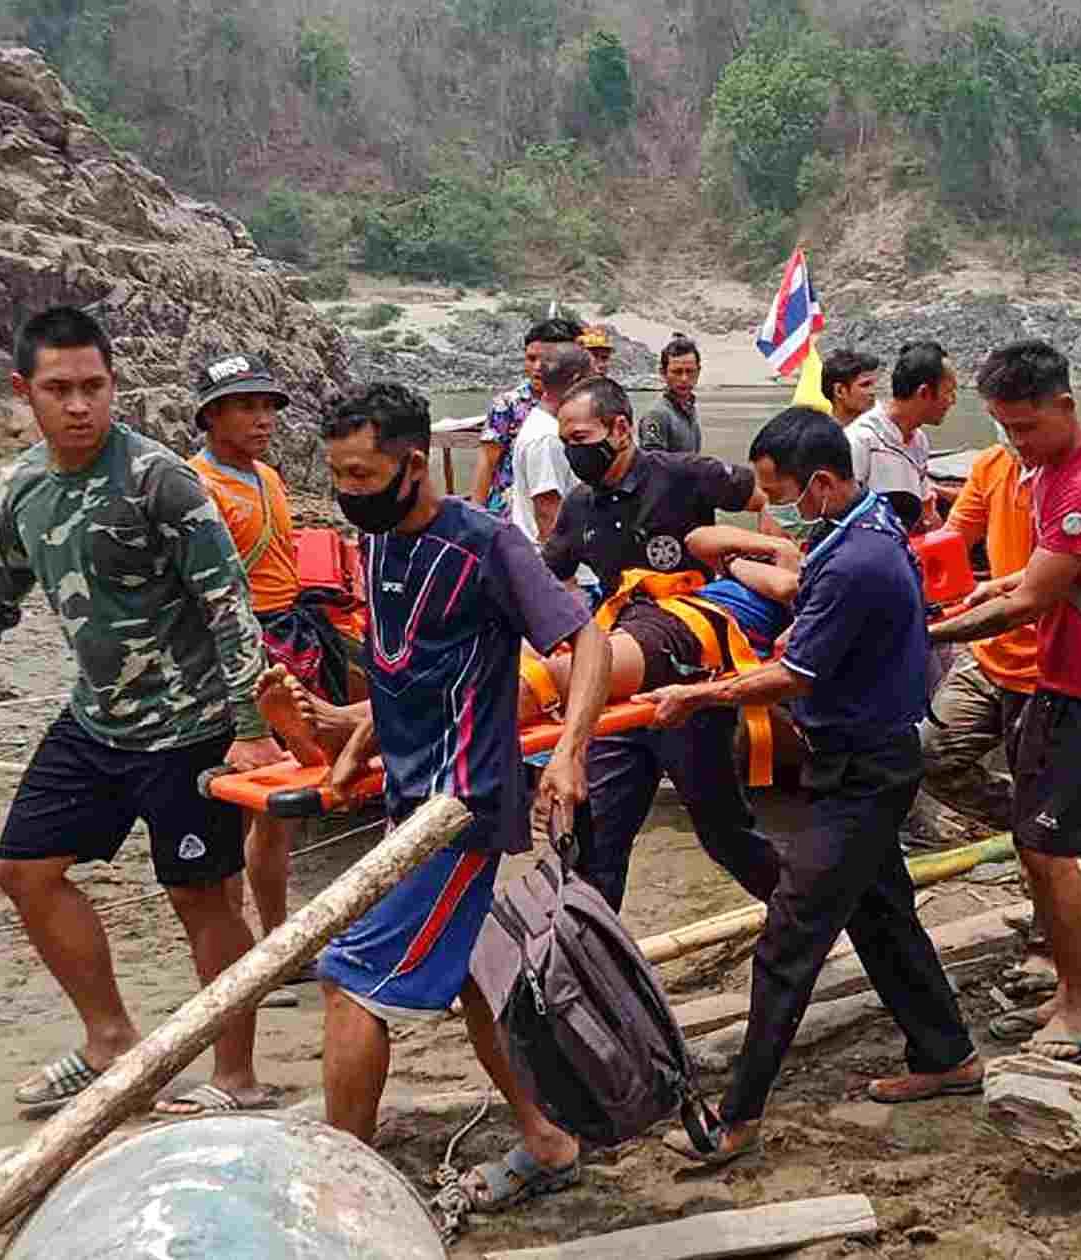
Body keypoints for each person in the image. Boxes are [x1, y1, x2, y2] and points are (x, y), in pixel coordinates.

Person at [0, 307, 287, 1117]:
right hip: (95, 720)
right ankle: (109, 1040)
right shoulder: (23, 488)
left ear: (114, 386)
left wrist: (251, 730)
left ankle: (237, 1079)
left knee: (204, 899)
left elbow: (228, 604)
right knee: (24, 872)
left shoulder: (159, 480)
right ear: (24, 391)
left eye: (94, 387)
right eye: (59, 389)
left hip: (191, 727)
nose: (79, 405)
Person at [643, 409, 982, 1167]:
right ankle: (947, 1053)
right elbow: (821, 627)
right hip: (856, 761)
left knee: (789, 939)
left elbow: (794, 675)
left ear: (823, 482)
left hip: (865, 773)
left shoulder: (858, 555)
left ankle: (737, 1117)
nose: (777, 507)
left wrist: (701, 696)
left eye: (781, 492)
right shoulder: (856, 534)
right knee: (883, 919)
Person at [307, 381, 610, 1212]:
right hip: (407, 809)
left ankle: (342, 1194)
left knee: (349, 979)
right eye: (338, 475)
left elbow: (587, 638)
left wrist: (569, 756)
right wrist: (344, 729)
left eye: (362, 475)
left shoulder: (486, 547)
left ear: (411, 466)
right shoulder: (374, 545)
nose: (348, 492)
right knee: (477, 982)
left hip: (460, 810)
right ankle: (548, 1139)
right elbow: (412, 678)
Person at [931, 340, 1081, 1065]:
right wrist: (989, 587)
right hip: (1056, 682)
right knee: (1035, 843)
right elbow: (1026, 575)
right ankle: (1066, 988)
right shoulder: (1045, 472)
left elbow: (1032, 599)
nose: (1015, 443)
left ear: (1066, 406)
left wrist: (930, 629)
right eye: (1004, 430)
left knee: (1052, 853)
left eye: (1026, 428)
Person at [540, 377, 779, 909]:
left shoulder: (682, 476)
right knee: (597, 841)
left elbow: (768, 498)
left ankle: (802, 916)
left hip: (688, 679)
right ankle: (589, 964)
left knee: (724, 835)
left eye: (581, 439)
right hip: (619, 682)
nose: (573, 453)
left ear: (620, 428)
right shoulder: (580, 506)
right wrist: (572, 622)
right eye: (565, 444)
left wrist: (764, 567)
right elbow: (548, 576)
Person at [186, 352, 353, 1002]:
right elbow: (206, 596)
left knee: (278, 810)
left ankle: (280, 940)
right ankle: (239, 952)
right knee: (233, 805)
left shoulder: (268, 479)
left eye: (267, 407)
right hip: (237, 652)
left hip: (288, 642)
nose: (262, 419)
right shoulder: (196, 487)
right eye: (246, 406)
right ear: (212, 414)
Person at [515, 524, 797, 723]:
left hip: (689, 635)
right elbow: (697, 540)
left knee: (541, 683)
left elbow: (786, 585)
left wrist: (733, 564)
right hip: (651, 611)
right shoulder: (770, 555)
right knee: (523, 652)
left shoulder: (819, 578)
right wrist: (774, 546)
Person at [920, 428, 1039, 830]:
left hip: (1057, 664)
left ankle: (1048, 836)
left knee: (1047, 778)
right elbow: (948, 545)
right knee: (931, 756)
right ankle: (1021, 823)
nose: (1013, 434)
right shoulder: (992, 465)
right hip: (991, 650)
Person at [464, 318, 582, 511]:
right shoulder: (507, 405)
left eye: (547, 359)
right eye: (531, 358)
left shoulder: (582, 404)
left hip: (567, 503)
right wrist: (475, 515)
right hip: (515, 510)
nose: (537, 367)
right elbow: (487, 462)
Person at [848, 340, 954, 531]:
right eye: (948, 392)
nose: (952, 401)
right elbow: (843, 514)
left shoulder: (919, 440)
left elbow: (926, 510)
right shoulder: (861, 440)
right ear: (924, 392)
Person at [506, 343, 593, 546]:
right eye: (591, 380)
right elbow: (548, 513)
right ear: (576, 380)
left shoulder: (550, 427)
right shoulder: (547, 438)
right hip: (566, 567)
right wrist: (564, 575)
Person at [640, 335, 703, 454]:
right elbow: (654, 465)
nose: (684, 379)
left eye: (690, 371)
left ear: (698, 372)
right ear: (663, 373)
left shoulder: (689, 410)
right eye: (677, 372)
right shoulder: (657, 415)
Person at [820, 347, 883, 426]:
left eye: (873, 384)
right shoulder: (820, 435)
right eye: (865, 385)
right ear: (839, 391)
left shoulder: (884, 424)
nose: (873, 392)